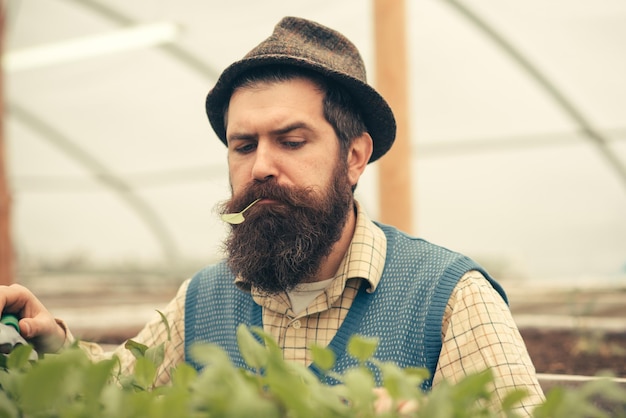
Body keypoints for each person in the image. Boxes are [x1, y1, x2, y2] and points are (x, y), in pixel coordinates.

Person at [0, 16, 544, 414]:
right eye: (243, 146)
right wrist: (54, 344)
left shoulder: (449, 299)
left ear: (354, 156)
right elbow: (122, 387)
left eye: (291, 140)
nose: (260, 166)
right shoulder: (204, 300)